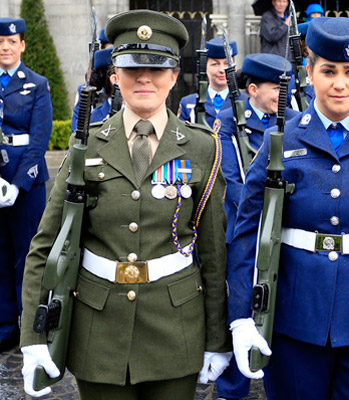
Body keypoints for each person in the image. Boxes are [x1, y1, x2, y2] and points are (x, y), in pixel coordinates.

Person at [19, 10, 230, 399]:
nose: (144, 79)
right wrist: (33, 335)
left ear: (173, 76)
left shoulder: (203, 146)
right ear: (115, 75)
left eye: (157, 68)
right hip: (99, 331)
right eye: (132, 69)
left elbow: (214, 253)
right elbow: (45, 246)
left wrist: (217, 338)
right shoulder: (87, 145)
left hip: (175, 327)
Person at [227, 16, 349, 399]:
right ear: (309, 72)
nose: (339, 83)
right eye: (328, 70)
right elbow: (246, 234)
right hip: (294, 319)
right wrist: (240, 317)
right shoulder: (278, 142)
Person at [213, 52, 298, 400]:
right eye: (276, 88)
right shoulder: (230, 121)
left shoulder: (296, 120)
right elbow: (231, 181)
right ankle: (233, 388)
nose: (284, 93)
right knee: (242, 306)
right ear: (252, 89)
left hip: (285, 231)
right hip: (245, 230)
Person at [0, 17, 52, 354]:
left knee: (28, 257)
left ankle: (30, 326)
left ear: (21, 45)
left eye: (11, 42)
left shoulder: (36, 84)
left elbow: (39, 140)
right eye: (0, 43)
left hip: (27, 184)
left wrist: (17, 185)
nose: (5, 47)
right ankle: (4, 328)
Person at [178, 37, 245, 128]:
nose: (222, 70)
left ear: (234, 66)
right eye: (215, 64)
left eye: (227, 64)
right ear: (205, 67)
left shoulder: (245, 102)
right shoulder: (188, 103)